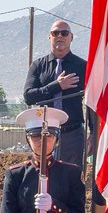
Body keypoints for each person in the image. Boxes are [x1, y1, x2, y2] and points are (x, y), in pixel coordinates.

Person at [23, 20, 88, 169]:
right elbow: (28, 96)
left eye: (64, 33)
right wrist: (56, 86)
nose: (60, 36)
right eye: (55, 33)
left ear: (71, 37)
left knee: (72, 176)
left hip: (72, 134)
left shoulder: (83, 66)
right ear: (49, 37)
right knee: (44, 175)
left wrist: (93, 133)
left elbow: (92, 100)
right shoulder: (38, 66)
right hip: (43, 134)